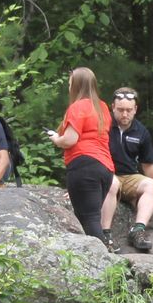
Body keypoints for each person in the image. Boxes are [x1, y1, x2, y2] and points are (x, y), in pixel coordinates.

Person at [48, 67, 116, 247]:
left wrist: (56, 139)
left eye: (70, 83)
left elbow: (70, 139)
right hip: (105, 168)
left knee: (89, 220)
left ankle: (105, 267)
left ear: (76, 86)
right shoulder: (102, 107)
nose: (68, 87)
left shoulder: (77, 107)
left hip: (84, 165)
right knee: (93, 216)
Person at [103, 85, 153, 251]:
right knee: (112, 183)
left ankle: (137, 231)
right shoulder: (102, 125)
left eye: (129, 110)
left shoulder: (141, 131)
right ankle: (105, 234)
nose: (125, 114)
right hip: (107, 175)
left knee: (151, 185)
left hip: (130, 176)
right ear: (112, 107)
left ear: (135, 109)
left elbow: (148, 164)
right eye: (121, 110)